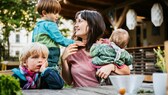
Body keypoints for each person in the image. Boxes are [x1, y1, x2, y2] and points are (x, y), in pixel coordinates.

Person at [61, 10, 130, 87]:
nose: (75, 25)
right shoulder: (73, 49)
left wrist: (112, 67)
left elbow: (127, 71)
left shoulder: (108, 46)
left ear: (92, 24)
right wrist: (63, 60)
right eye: (76, 22)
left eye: (80, 21)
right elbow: (68, 81)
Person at [32, 0, 74, 67]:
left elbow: (33, 43)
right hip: (50, 52)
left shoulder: (37, 26)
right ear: (44, 13)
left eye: (58, 13)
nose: (57, 16)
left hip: (39, 53)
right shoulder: (50, 24)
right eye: (55, 13)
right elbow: (59, 39)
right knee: (52, 69)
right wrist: (74, 43)